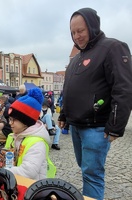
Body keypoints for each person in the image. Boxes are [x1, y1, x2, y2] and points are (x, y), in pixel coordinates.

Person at [58, 8, 132, 200]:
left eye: (80, 30)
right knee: (85, 170)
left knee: (92, 175)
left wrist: (116, 126)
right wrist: (64, 114)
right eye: (73, 32)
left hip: (96, 127)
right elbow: (68, 89)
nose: (77, 36)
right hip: (76, 125)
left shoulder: (113, 48)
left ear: (92, 26)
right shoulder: (77, 58)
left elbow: (123, 88)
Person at [1, 87, 56, 180]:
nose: (10, 123)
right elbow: (7, 154)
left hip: (32, 188)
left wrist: (3, 171)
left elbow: (28, 171)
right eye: (10, 119)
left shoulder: (37, 143)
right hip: (17, 183)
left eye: (14, 120)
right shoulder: (15, 136)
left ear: (26, 121)